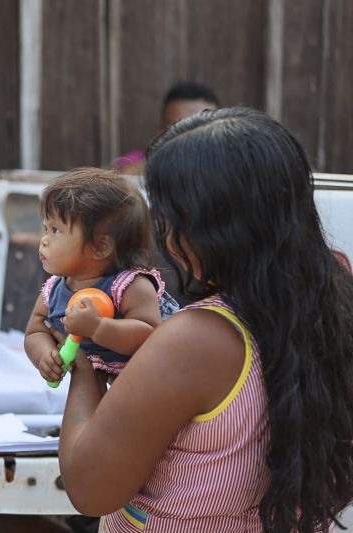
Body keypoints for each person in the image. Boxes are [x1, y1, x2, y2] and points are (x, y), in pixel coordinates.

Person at [58, 108, 353, 532]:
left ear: (210, 227)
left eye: (166, 213)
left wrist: (82, 356)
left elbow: (89, 489)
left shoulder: (196, 340)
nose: (161, 228)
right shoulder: (333, 298)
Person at [24, 168, 176, 388]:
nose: (44, 240)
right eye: (45, 228)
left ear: (101, 247)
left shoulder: (129, 286)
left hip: (152, 379)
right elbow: (36, 330)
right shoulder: (54, 289)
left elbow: (148, 334)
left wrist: (96, 328)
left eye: (56, 230)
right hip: (98, 378)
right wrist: (44, 356)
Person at [113, 82, 220, 175]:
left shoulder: (226, 164)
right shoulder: (134, 162)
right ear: (160, 131)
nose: (190, 136)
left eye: (201, 127)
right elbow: (118, 183)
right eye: (179, 127)